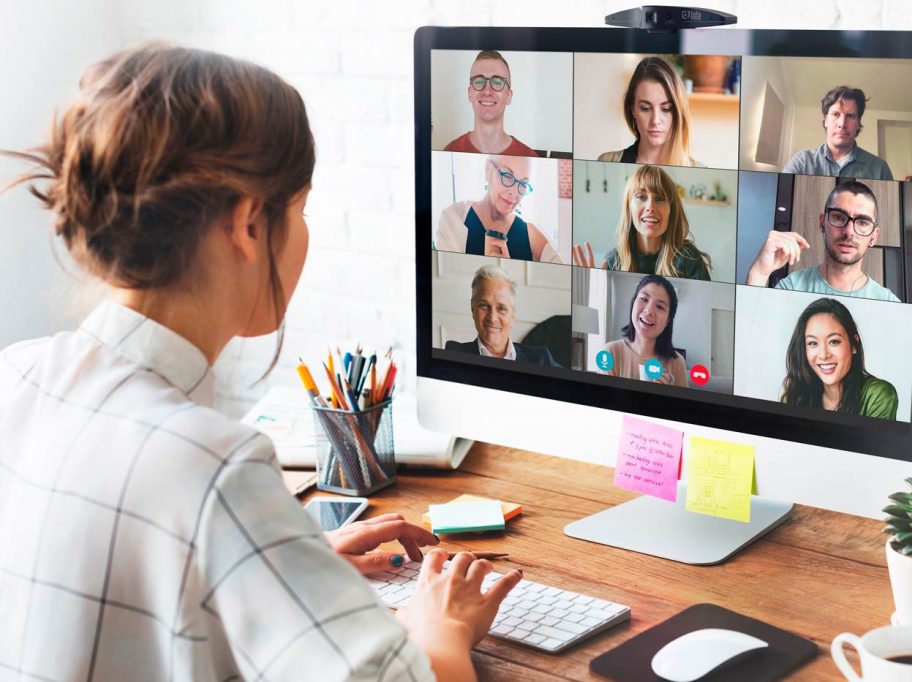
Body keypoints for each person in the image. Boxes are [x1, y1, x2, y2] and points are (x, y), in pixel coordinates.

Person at [0, 44, 522, 681]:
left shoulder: (16, 376)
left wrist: (281, 560)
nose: (304, 233)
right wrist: (440, 624)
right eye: (300, 210)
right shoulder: (213, 468)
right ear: (248, 222)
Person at [745, 180, 900, 302]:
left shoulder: (889, 303)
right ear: (822, 223)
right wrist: (758, 273)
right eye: (839, 217)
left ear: (874, 236)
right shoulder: (791, 288)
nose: (849, 232)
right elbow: (752, 333)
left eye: (862, 222)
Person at [573, 164, 711, 280]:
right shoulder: (613, 261)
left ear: (671, 210)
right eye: (641, 197)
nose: (650, 207)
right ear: (629, 208)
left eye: (660, 198)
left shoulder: (689, 259)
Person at [782, 298, 898, 419]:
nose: (823, 355)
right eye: (812, 343)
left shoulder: (877, 395)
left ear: (854, 345)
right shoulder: (793, 398)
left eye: (834, 341)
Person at [434, 154, 562, 262]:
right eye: (507, 176)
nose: (514, 192)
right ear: (488, 170)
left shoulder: (531, 234)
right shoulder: (453, 218)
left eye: (523, 184)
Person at [444, 265, 561, 367]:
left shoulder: (540, 359)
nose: (492, 318)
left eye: (501, 308)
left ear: (513, 315)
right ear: (472, 308)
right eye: (484, 306)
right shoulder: (454, 353)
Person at [597, 56, 704, 167]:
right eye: (645, 108)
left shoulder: (700, 170)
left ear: (678, 112)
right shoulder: (608, 163)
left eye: (666, 109)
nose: (655, 121)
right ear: (632, 109)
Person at [782, 85, 894, 180]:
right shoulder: (802, 163)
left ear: (858, 123)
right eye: (836, 115)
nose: (842, 124)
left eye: (850, 116)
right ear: (825, 120)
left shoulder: (880, 169)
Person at [443, 49, 538, 156]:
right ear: (469, 93)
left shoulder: (530, 158)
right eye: (479, 81)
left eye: (497, 82)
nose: (487, 91)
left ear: (509, 96)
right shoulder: (449, 152)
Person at [599, 275, 689, 387]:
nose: (649, 310)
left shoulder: (677, 363)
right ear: (633, 303)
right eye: (644, 299)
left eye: (660, 307)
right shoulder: (610, 352)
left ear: (668, 320)